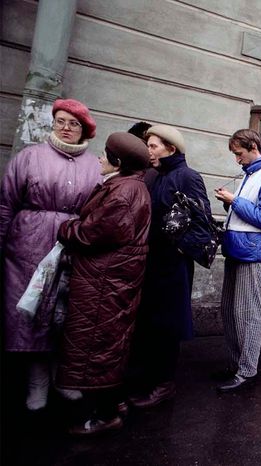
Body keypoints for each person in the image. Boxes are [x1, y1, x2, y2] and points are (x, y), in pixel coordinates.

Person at [0, 98, 101, 410]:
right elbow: (6, 203)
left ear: (84, 129)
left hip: (72, 247)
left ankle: (62, 377)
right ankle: (37, 382)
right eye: (60, 121)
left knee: (65, 313)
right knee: (33, 311)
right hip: (29, 245)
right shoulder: (30, 157)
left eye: (73, 123)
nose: (66, 128)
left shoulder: (94, 164)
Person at [55, 132, 151, 434]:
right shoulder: (129, 186)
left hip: (104, 282)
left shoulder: (123, 193)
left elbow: (92, 233)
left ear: (118, 162)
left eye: (105, 154)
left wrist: (66, 227)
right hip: (110, 279)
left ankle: (105, 414)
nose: (99, 158)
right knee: (107, 344)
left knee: (99, 346)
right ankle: (112, 403)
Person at [128, 125, 211, 408]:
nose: (148, 150)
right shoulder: (153, 176)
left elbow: (203, 225)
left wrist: (176, 248)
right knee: (148, 324)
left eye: (153, 146)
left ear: (170, 149)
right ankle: (146, 380)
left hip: (172, 266)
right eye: (147, 145)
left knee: (167, 326)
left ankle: (164, 384)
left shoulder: (187, 177)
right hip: (149, 263)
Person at [213, 129, 261, 392]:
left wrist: (235, 200)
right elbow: (251, 210)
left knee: (247, 313)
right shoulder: (254, 172)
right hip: (239, 248)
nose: (237, 159)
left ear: (253, 146)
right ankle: (235, 365)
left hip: (252, 252)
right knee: (231, 310)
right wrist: (231, 203)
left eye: (239, 153)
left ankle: (247, 371)